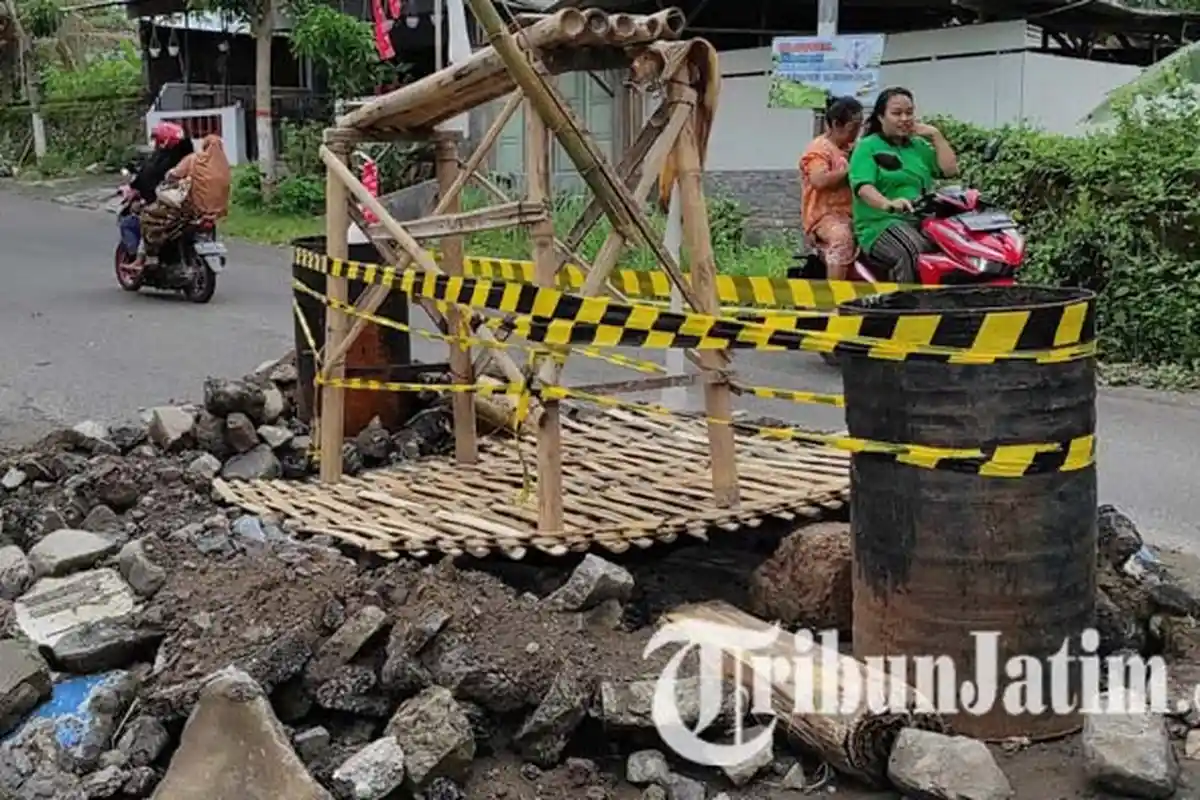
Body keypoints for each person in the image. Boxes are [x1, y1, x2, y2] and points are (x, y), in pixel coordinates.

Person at [847, 86, 959, 282]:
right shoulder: (867, 147)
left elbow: (950, 170)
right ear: (881, 117)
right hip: (880, 224)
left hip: (921, 221)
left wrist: (936, 135)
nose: (905, 118)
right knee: (913, 251)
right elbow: (863, 188)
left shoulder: (918, 146)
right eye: (897, 113)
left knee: (956, 248)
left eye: (909, 112)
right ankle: (907, 301)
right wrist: (887, 204)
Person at [136, 134, 232, 271]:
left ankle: (151, 256)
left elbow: (173, 174)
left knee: (149, 217)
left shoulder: (194, 160)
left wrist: (170, 179)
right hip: (214, 215)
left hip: (191, 211)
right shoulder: (225, 168)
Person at [799, 95, 863, 280]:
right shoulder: (819, 149)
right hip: (825, 217)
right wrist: (850, 171)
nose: (856, 134)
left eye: (859, 128)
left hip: (853, 214)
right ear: (836, 124)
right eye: (853, 128)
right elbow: (819, 180)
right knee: (842, 238)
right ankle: (836, 291)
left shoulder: (852, 148)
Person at [119, 122, 194, 267]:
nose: (156, 144)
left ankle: (145, 258)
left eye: (157, 140)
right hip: (193, 206)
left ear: (165, 140)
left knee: (142, 220)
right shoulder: (193, 157)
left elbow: (148, 179)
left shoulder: (165, 160)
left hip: (170, 205)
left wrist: (136, 187)